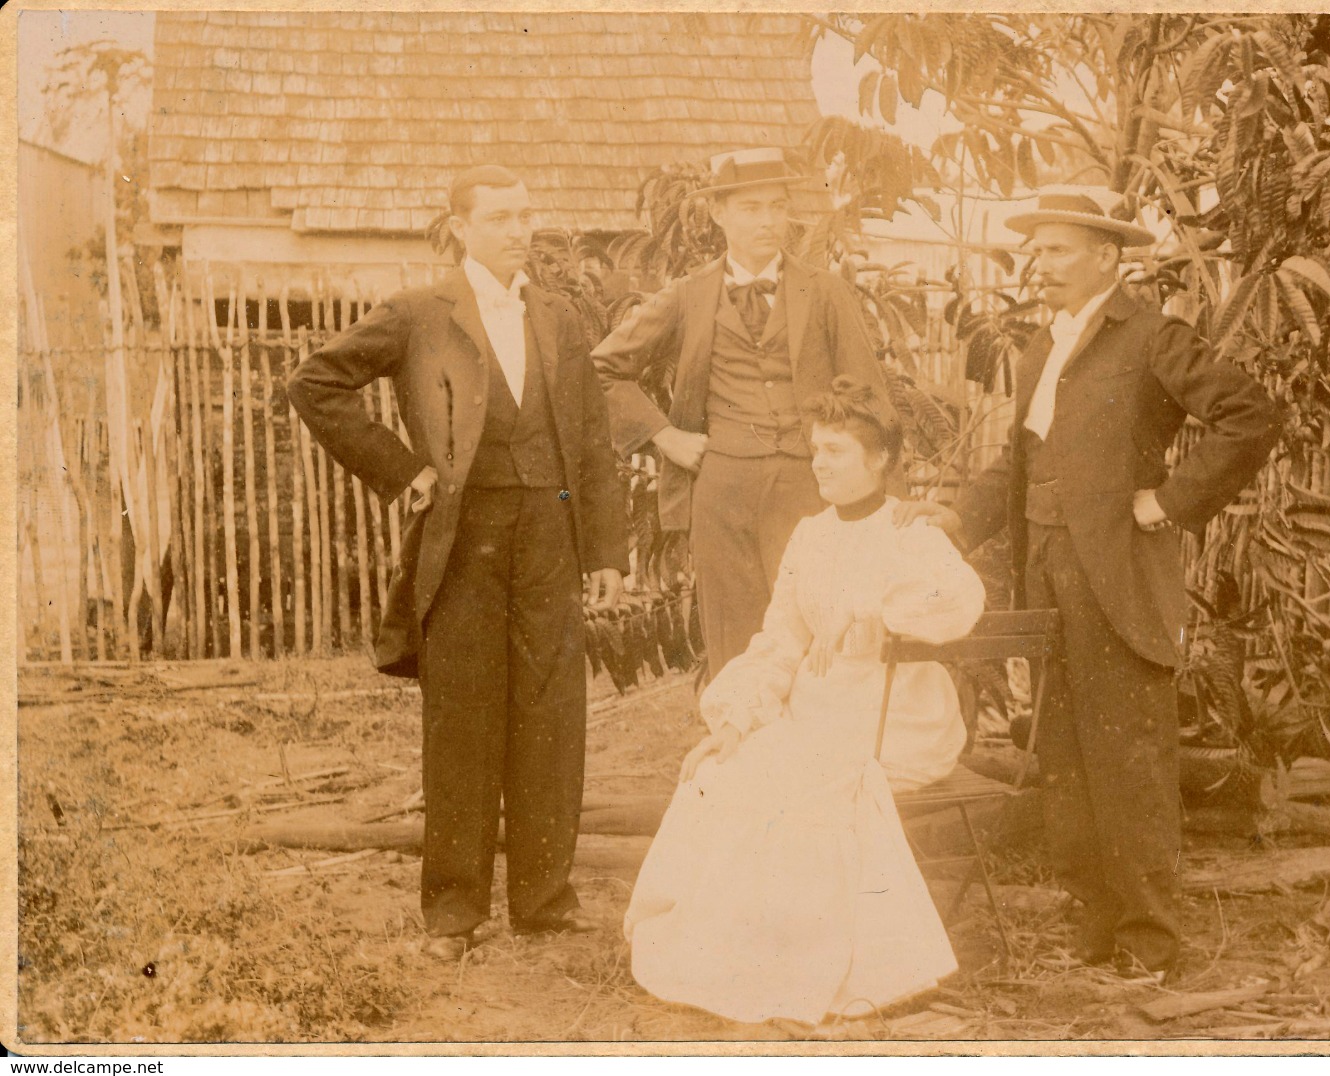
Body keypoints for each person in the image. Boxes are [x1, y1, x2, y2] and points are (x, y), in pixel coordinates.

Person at [901, 186, 1281, 979]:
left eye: (1056, 250)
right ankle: (1096, 927)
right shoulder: (1042, 347)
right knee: (1065, 760)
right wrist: (961, 521)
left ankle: (1150, 940)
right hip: (1045, 572)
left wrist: (1170, 501)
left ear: (1106, 258)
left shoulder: (1150, 338)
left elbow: (1249, 415)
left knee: (1128, 762)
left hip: (1114, 576)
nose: (1038, 265)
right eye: (1035, 251)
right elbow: (1020, 458)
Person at [286, 165, 628, 960]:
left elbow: (592, 440)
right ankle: (452, 914)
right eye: (502, 217)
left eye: (526, 214)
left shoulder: (560, 316)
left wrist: (606, 551)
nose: (520, 230)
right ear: (462, 227)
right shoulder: (417, 312)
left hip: (550, 531)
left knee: (551, 715)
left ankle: (545, 900)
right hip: (464, 536)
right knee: (464, 722)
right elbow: (314, 382)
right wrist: (404, 471)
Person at [623, 378, 984, 1026]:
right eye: (816, 449)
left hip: (895, 717)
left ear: (879, 460)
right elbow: (780, 640)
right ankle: (742, 961)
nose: (820, 463)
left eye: (837, 451)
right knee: (727, 770)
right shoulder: (810, 536)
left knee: (796, 788)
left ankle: (803, 970)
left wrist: (875, 606)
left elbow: (960, 602)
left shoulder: (909, 528)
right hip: (822, 711)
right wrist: (737, 720)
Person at [592, 147, 895, 678]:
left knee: (821, 639)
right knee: (735, 644)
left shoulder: (824, 292)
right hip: (722, 493)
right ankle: (740, 758)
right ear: (719, 214)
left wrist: (885, 505)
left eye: (778, 207)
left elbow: (870, 398)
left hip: (811, 490)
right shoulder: (687, 296)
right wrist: (664, 435)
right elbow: (601, 370)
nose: (769, 221)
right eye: (752, 208)